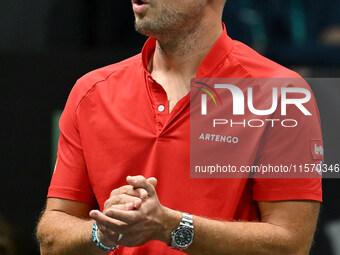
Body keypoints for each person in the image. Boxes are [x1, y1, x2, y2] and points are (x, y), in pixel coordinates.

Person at [36, 0, 323, 254]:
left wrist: (171, 227)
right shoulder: (91, 91)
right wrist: (104, 231)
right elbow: (51, 238)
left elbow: (291, 245)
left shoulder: (281, 92)